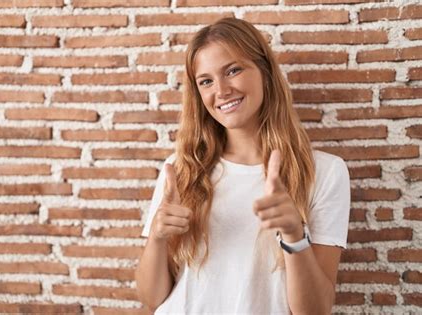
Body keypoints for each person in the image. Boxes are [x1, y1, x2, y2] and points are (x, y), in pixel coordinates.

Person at [135, 17, 350, 315]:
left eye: (233, 70)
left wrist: (294, 235)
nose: (221, 91)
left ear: (264, 72)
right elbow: (152, 299)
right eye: (206, 81)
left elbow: (315, 310)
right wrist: (157, 239)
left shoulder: (325, 172)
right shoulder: (181, 168)